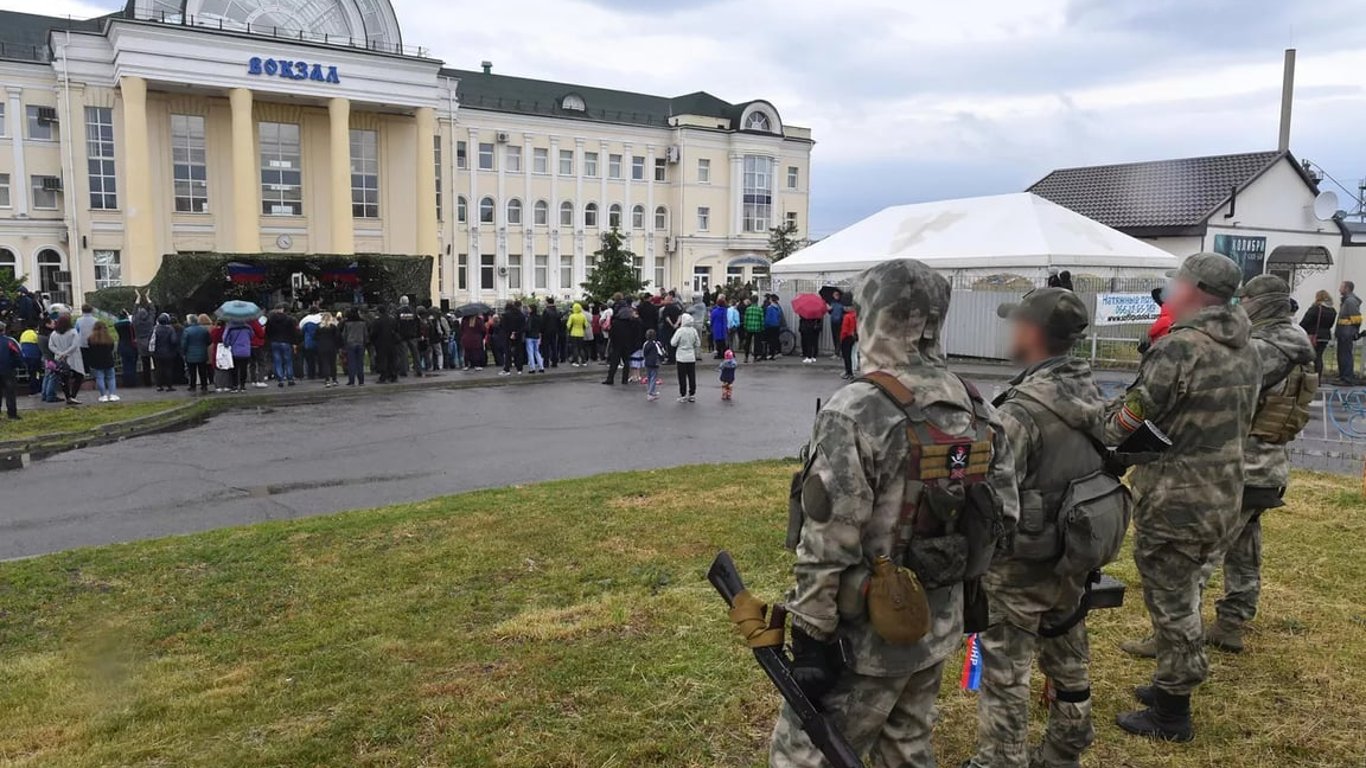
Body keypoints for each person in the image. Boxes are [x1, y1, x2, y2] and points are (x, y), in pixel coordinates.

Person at [771, 258, 1018, 768]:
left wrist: (811, 634)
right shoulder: (976, 405)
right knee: (907, 746)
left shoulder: (856, 409)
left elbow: (829, 536)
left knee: (803, 755)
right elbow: (1004, 518)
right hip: (937, 619)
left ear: (872, 315)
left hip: (863, 636)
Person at [1105, 252, 1259, 742]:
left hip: (1177, 496)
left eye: (1176, 281)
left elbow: (1134, 412)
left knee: (1171, 600)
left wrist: (1102, 428)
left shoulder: (1181, 347)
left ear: (1192, 289)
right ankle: (1168, 682)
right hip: (1223, 491)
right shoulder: (1247, 346)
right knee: (1186, 588)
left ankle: (1172, 712)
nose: (1170, 288)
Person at [967, 288, 1105, 768]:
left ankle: (1001, 761)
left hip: (1020, 565)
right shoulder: (1092, 393)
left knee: (1005, 672)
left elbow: (987, 494)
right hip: (1074, 552)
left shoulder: (1018, 412)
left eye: (1015, 323)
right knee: (1069, 656)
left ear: (1031, 332)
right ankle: (1067, 747)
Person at [1199, 275, 1316, 655]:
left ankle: (1173, 629)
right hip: (1270, 465)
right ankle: (1232, 622)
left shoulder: (1265, 350)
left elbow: (1216, 389)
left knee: (1202, 552)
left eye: (1244, 298)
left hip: (1241, 465)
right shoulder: (1298, 343)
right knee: (1244, 548)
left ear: (1259, 302)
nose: (1240, 304)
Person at [48, 314, 86, 405]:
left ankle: (68, 396)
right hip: (73, 358)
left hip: (59, 358)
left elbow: (51, 346)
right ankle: (73, 396)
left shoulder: (54, 333)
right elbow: (75, 345)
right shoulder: (73, 332)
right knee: (79, 375)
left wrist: (59, 353)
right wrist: (66, 353)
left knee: (64, 378)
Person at [1300, 289, 1336, 376]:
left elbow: (1305, 321)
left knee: (1310, 357)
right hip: (1325, 337)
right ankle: (1318, 378)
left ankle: (1310, 378)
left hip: (1313, 336)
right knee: (1319, 357)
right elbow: (1330, 324)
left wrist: (1300, 328)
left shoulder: (1315, 308)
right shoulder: (1332, 311)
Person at [603, 304, 639, 386]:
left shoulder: (616, 322)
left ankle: (610, 378)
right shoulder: (632, 323)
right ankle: (624, 379)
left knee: (614, 362)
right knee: (626, 362)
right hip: (627, 345)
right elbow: (635, 334)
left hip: (617, 344)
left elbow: (611, 334)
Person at [1334, 280, 1361, 385]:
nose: (1339, 289)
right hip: (1344, 332)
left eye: (1341, 287)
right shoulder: (1347, 301)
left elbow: (1357, 319)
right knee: (1342, 355)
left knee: (1345, 355)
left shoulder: (1350, 301)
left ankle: (1347, 378)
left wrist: (1353, 331)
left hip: (1346, 332)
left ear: (1347, 288)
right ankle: (1343, 376)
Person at [85, 320, 120, 403]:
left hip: (96, 361)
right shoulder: (109, 338)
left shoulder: (91, 339)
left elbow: (89, 350)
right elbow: (111, 349)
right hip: (108, 360)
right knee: (111, 378)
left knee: (100, 378)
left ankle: (103, 395)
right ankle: (112, 394)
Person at [670, 312, 701, 402]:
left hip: (681, 356)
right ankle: (692, 394)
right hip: (691, 356)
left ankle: (683, 394)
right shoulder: (693, 330)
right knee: (691, 376)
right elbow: (698, 343)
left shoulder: (680, 331)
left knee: (682, 376)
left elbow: (673, 343)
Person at [265, 306, 298, 387]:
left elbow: (267, 331)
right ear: (283, 310)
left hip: (275, 342)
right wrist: (294, 342)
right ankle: (290, 378)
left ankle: (280, 379)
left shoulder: (270, 320)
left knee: (277, 361)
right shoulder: (289, 319)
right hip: (286, 341)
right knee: (288, 361)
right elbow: (293, 331)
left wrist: (270, 340)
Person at [181, 314, 212, 394]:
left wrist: (184, 352)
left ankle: (192, 386)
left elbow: (184, 343)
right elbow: (209, 340)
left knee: (192, 371)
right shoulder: (203, 330)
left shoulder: (187, 330)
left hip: (190, 353)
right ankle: (204, 385)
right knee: (203, 371)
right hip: (202, 352)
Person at [150, 313, 179, 392]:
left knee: (158, 369)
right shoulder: (170, 329)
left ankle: (159, 385)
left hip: (157, 352)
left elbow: (152, 339)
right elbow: (174, 341)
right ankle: (169, 386)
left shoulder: (155, 329)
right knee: (168, 369)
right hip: (168, 352)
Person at [369, 306, 399, 383]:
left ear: (379, 312)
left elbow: (373, 333)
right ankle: (393, 375)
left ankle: (383, 376)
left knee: (382, 360)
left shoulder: (377, 321)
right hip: (392, 342)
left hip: (381, 343)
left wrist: (372, 341)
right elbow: (397, 330)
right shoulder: (392, 320)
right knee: (392, 359)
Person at [396, 298, 424, 378]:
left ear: (401, 302)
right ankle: (419, 370)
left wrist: (397, 334)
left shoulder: (398, 312)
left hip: (402, 336)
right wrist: (418, 334)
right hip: (412, 336)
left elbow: (397, 324)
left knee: (403, 354)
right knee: (416, 354)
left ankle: (403, 371)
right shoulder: (413, 311)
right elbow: (418, 323)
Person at [222, 321, 254, 392]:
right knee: (244, 368)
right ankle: (243, 386)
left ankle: (235, 386)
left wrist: (227, 344)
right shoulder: (248, 327)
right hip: (245, 351)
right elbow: (252, 336)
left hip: (234, 351)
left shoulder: (230, 328)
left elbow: (225, 339)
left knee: (234, 369)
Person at [341, 308, 369, 386]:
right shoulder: (362, 323)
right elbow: (365, 334)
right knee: (360, 362)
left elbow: (344, 335)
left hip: (350, 343)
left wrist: (344, 343)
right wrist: (366, 342)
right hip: (360, 343)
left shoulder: (347, 323)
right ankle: (361, 380)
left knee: (351, 363)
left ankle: (351, 380)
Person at [0, 322, 21, 419]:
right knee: (10, 393)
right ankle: (12, 414)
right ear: (3, 330)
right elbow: (17, 355)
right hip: (8, 370)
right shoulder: (9, 341)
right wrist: (16, 365)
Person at [500, 301, 526, 375]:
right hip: (518, 335)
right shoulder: (521, 315)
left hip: (508, 335)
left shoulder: (506, 315)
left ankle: (507, 369)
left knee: (507, 352)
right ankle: (519, 369)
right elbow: (524, 326)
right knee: (518, 352)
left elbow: (502, 326)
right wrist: (516, 332)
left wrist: (510, 332)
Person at [316, 311, 340, 387]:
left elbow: (315, 337)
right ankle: (334, 379)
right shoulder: (333, 327)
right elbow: (337, 337)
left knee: (325, 363)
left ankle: (327, 380)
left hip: (322, 347)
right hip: (332, 346)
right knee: (333, 363)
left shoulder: (319, 327)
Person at [115, 310, 138, 389]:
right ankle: (132, 382)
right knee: (132, 365)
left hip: (122, 346)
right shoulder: (129, 324)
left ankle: (126, 382)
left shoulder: (117, 325)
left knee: (125, 365)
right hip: (131, 346)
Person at [133, 306, 155, 387]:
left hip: (141, 345)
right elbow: (153, 310)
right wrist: (148, 300)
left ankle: (147, 382)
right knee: (156, 363)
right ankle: (159, 381)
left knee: (145, 365)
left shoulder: (136, 322)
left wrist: (137, 301)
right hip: (151, 344)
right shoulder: (150, 321)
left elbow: (134, 313)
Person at [642, 328, 665, 401]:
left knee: (649, 377)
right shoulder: (656, 343)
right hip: (654, 362)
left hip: (647, 362)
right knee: (653, 378)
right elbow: (660, 352)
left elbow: (644, 353)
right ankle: (650, 393)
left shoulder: (645, 343)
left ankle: (651, 390)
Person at [20, 324, 41, 396]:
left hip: (25, 357)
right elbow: (39, 344)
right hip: (35, 357)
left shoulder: (23, 334)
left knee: (31, 373)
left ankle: (32, 390)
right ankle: (35, 390)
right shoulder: (34, 334)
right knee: (36, 374)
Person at [839, 303, 859, 379]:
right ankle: (852, 371)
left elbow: (845, 330)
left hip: (846, 337)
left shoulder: (847, 317)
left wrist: (842, 338)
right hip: (853, 337)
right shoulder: (855, 316)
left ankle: (848, 372)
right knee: (853, 354)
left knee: (846, 356)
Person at [542, 298, 563, 369]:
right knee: (554, 347)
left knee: (546, 348)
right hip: (554, 331)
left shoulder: (546, 311)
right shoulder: (556, 311)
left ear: (547, 303)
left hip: (546, 332)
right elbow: (559, 322)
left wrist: (541, 331)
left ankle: (546, 363)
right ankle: (554, 362)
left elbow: (543, 322)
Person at [743, 296, 765, 362]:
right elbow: (762, 320)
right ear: (757, 301)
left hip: (749, 328)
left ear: (751, 301)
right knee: (757, 342)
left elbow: (745, 319)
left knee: (748, 342)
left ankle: (746, 356)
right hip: (757, 328)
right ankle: (755, 356)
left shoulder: (748, 309)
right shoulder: (760, 309)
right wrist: (762, 327)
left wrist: (745, 327)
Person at [525, 304, 545, 373]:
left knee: (530, 352)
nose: (527, 310)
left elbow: (528, 328)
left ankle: (532, 368)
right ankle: (541, 367)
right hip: (537, 336)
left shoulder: (530, 317)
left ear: (531, 309)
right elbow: (542, 327)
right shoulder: (539, 317)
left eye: (528, 308)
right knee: (537, 351)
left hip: (530, 336)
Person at [827, 288, 845, 355]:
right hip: (833, 321)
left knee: (839, 337)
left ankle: (837, 352)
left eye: (837, 294)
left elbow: (844, 312)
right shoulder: (832, 302)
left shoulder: (842, 303)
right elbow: (830, 312)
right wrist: (829, 309)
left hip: (840, 322)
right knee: (834, 337)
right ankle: (836, 351)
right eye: (834, 295)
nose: (836, 296)